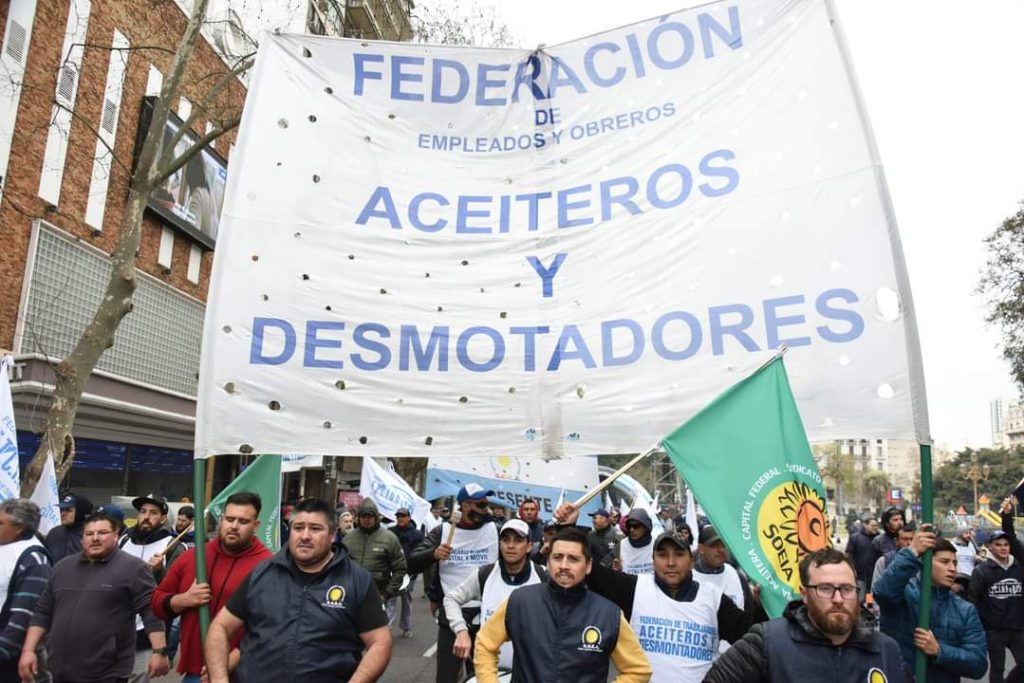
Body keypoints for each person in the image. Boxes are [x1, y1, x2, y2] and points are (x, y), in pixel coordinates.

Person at [557, 502, 762, 681]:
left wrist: (761, 606)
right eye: (663, 555)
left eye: (679, 554)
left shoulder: (714, 599)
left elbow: (748, 637)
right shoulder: (635, 589)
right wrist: (568, 527)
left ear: (691, 561)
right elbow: (593, 573)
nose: (671, 563)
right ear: (653, 560)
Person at [205, 498, 391, 682]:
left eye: (315, 529)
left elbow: (380, 643)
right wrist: (219, 679)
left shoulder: (357, 580)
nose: (305, 536)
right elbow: (220, 627)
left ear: (332, 534)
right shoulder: (262, 573)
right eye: (298, 527)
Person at [473, 528, 651, 683]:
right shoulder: (520, 602)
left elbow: (638, 670)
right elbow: (485, 644)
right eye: (557, 557)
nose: (564, 566)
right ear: (548, 562)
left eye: (573, 559)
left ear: (588, 566)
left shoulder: (608, 614)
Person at [703, 548, 906, 682]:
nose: (837, 599)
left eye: (846, 589)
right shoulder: (766, 644)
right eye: (825, 588)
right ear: (805, 594)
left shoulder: (886, 650)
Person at [19, 512, 169, 682]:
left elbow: (151, 612)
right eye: (89, 534)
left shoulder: (134, 568)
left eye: (102, 533)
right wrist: (28, 651)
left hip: (107, 673)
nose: (95, 538)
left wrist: (159, 651)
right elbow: (42, 612)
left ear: (116, 536)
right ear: (82, 538)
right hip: (58, 669)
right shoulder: (63, 567)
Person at [152, 491, 272, 683]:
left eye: (243, 521)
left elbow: (271, 628)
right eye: (230, 519)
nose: (234, 526)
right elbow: (157, 603)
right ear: (221, 519)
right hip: (195, 673)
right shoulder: (193, 556)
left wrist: (229, 660)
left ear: (256, 525)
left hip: (244, 673)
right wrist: (183, 600)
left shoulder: (268, 567)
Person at [872, 525, 987, 682]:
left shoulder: (964, 609)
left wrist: (940, 651)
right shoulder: (904, 594)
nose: (952, 569)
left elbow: (978, 664)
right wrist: (911, 552)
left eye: (955, 562)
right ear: (924, 562)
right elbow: (882, 592)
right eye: (944, 562)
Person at [409, 483, 499, 683]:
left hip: (486, 616)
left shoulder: (496, 530)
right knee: (447, 677)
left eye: (487, 504)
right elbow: (412, 561)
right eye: (481, 504)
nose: (487, 509)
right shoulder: (443, 531)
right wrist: (433, 553)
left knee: (483, 678)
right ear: (465, 506)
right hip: (452, 615)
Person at [442, 519, 545, 672]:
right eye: (505, 540)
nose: (510, 545)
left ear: (529, 546)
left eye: (518, 540)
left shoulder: (543, 577)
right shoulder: (485, 574)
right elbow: (451, 598)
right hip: (489, 671)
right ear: (500, 544)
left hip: (531, 672)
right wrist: (461, 631)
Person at [120, 493, 185, 677]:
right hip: (114, 632)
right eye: (143, 511)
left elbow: (176, 594)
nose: (146, 517)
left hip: (146, 636)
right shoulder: (124, 540)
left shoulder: (173, 547)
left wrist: (159, 571)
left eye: (153, 513)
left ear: (163, 518)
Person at [0, 499, 51, 679]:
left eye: (1, 523)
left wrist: (3, 649)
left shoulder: (34, 559)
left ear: (19, 527)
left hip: (10, 663)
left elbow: (24, 615)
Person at [343, 498, 407, 631]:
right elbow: (340, 567)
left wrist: (387, 594)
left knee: (378, 636)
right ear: (358, 518)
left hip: (379, 595)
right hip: (352, 596)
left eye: (370, 516)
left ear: (376, 517)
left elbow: (400, 569)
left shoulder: (390, 538)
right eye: (364, 516)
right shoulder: (348, 538)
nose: (367, 519)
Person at [388, 507, 424, 638]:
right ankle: (387, 627)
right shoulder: (390, 532)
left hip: (409, 573)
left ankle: (406, 626)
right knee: (390, 598)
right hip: (392, 571)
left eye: (403, 516)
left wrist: (414, 571)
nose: (400, 518)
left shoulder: (417, 534)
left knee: (406, 600)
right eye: (398, 516)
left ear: (409, 517)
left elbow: (420, 555)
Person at [693, 525, 746, 611]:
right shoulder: (688, 578)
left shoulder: (736, 576)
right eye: (714, 545)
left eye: (723, 544)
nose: (721, 550)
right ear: (701, 549)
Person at [42, 492, 92, 562]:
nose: (63, 513)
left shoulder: (91, 534)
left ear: (80, 511)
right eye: (62, 509)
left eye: (68, 510)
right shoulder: (54, 533)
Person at [871, 522, 915, 588]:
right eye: (905, 539)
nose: (909, 543)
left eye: (912, 539)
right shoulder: (884, 561)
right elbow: (875, 588)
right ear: (896, 541)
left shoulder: (921, 560)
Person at [843, 516, 879, 599]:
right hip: (860, 576)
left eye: (876, 526)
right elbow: (849, 555)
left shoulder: (879, 539)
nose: (875, 528)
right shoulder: (855, 538)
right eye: (873, 525)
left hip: (874, 576)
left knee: (870, 598)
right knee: (859, 598)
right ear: (865, 525)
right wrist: (851, 569)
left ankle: (869, 609)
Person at [617, 509, 658, 575]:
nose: (632, 529)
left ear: (645, 527)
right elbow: (605, 566)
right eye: (629, 526)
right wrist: (614, 568)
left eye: (636, 526)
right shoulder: (621, 545)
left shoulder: (657, 544)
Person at [952, 526, 978, 592]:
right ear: (960, 534)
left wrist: (977, 559)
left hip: (971, 579)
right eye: (966, 533)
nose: (969, 535)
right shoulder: (952, 545)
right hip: (958, 578)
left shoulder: (972, 545)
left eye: (969, 533)